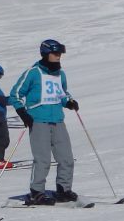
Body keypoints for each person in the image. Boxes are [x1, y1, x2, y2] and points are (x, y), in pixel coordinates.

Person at [9, 38, 79, 205]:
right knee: (43, 159)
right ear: (46, 53)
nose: (59, 56)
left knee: (67, 158)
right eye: (55, 53)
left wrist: (69, 102)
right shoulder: (33, 73)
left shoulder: (60, 74)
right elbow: (15, 94)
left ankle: (63, 189)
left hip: (58, 120)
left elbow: (62, 93)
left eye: (60, 53)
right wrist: (23, 113)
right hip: (39, 120)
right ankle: (36, 192)